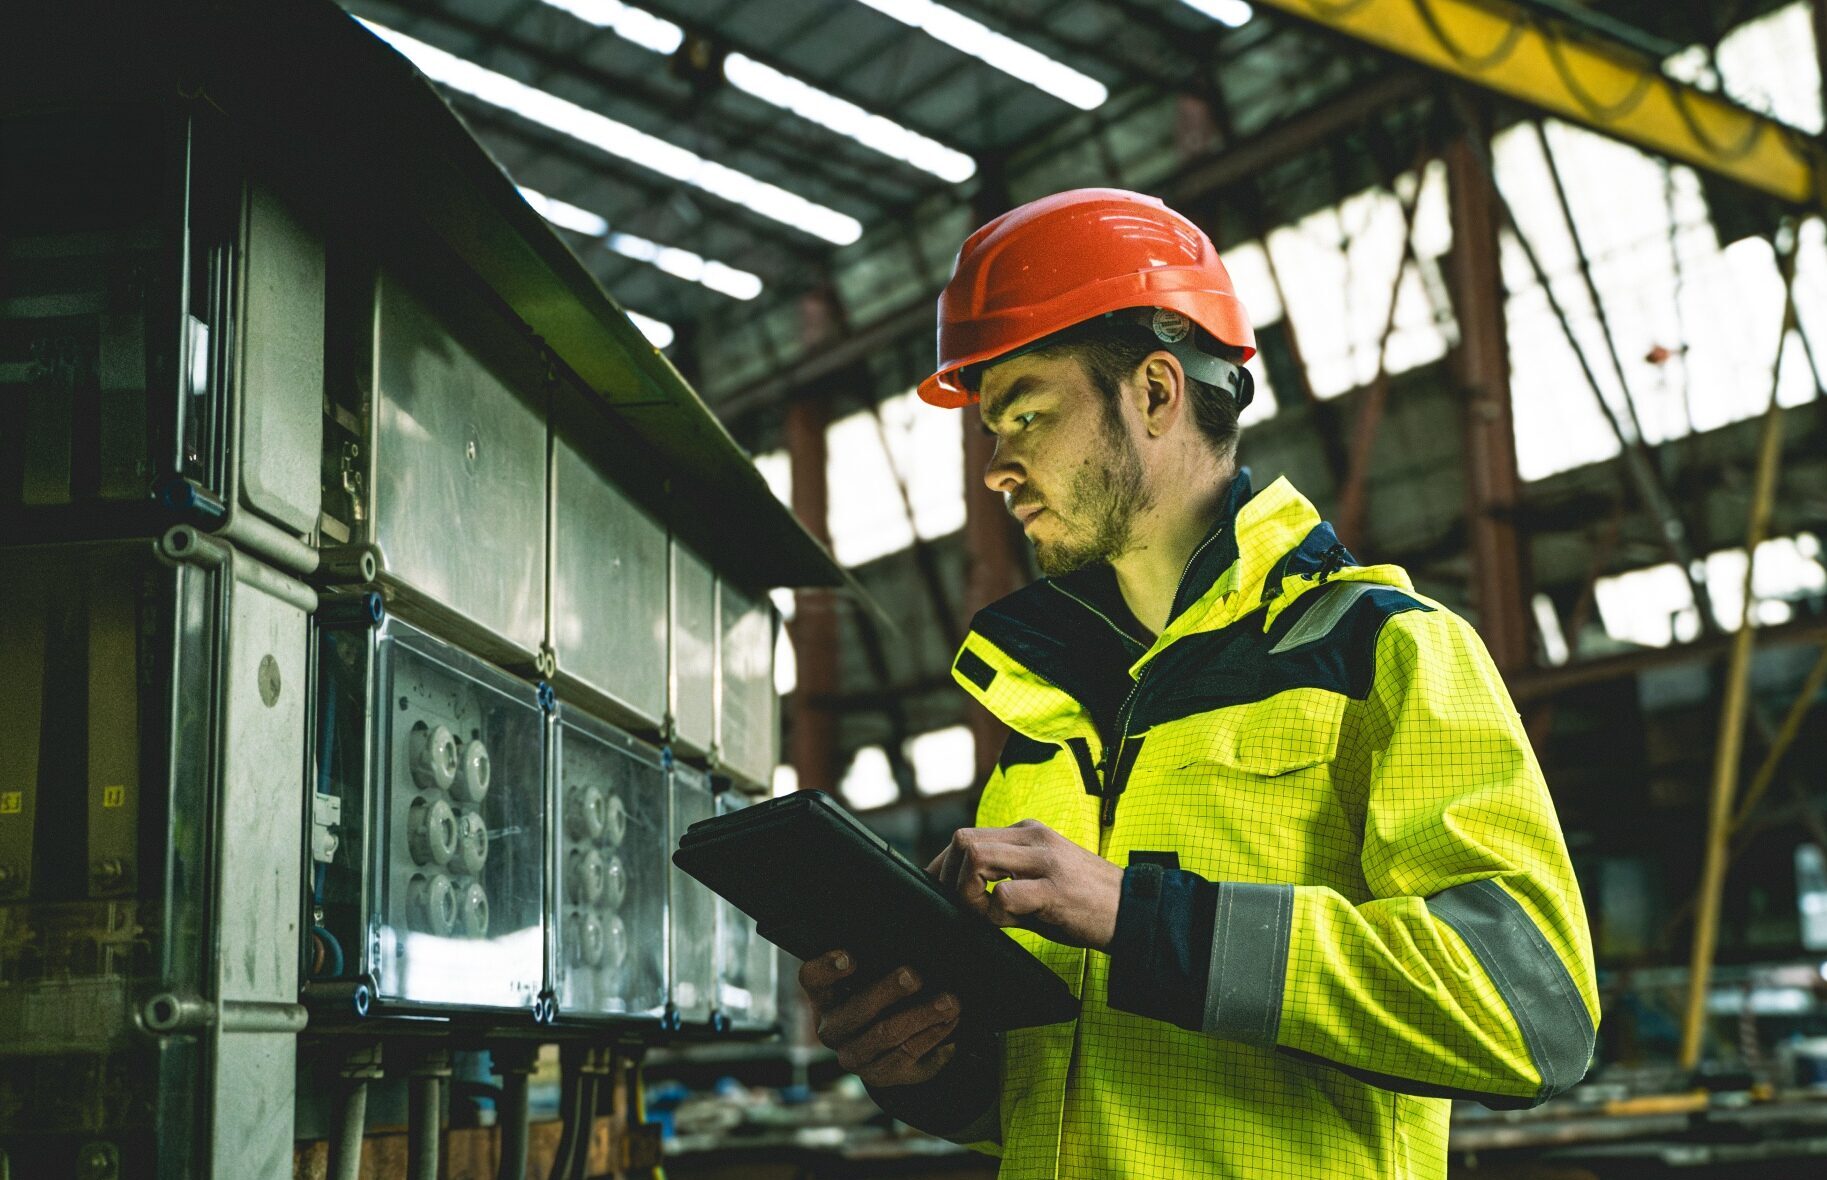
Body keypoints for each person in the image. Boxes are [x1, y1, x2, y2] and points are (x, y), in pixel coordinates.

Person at [797, 188, 1597, 1179]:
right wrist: (921, 1060)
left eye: (1026, 414)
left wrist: (1144, 917)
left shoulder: (1383, 653)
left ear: (1156, 393)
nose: (997, 467)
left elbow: (1531, 1011)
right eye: (990, 430)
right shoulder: (1045, 719)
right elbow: (1050, 1095)